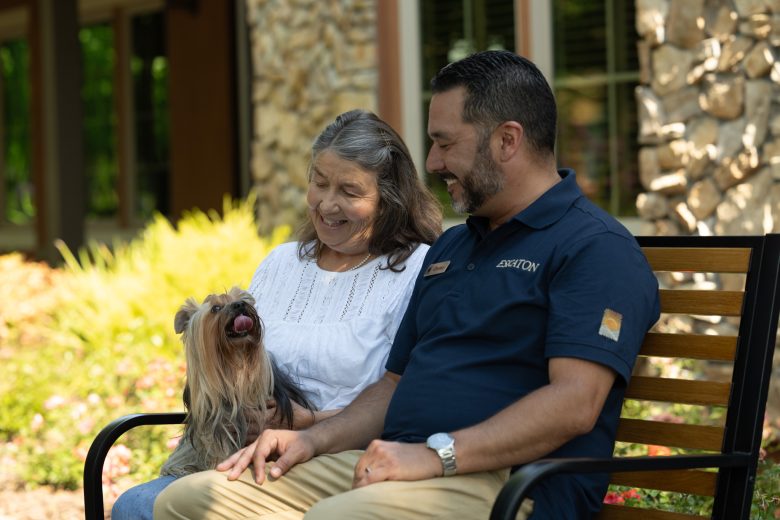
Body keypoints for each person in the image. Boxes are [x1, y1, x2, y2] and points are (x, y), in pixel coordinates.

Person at [154, 50, 660, 520]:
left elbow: (575, 402)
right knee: (190, 501)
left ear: (508, 140)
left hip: (510, 482)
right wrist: (314, 440)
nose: (434, 163)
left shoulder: (594, 248)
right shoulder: (453, 250)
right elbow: (392, 387)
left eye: (444, 143)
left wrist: (436, 456)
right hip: (396, 464)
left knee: (337, 517)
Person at [110, 109, 442, 520]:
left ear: (389, 198)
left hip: (344, 460)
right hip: (248, 454)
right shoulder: (282, 263)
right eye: (318, 183)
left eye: (349, 191)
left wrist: (310, 422)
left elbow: (413, 398)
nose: (327, 203)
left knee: (145, 507)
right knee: (133, 505)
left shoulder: (418, 270)